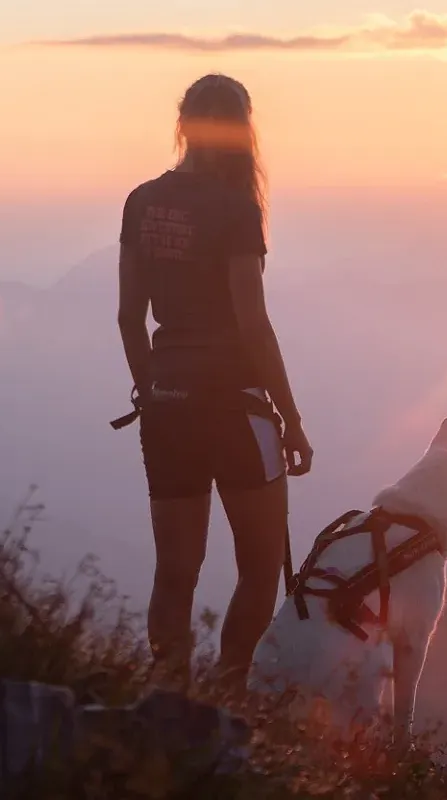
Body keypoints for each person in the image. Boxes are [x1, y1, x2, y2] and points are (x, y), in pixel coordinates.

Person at [116, 72, 313, 691]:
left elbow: (129, 316)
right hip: (234, 406)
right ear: (242, 132)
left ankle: (167, 698)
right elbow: (252, 325)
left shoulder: (142, 201)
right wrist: (293, 418)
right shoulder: (235, 209)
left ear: (183, 124)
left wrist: (151, 389)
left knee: (175, 573)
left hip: (168, 401)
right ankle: (228, 697)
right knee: (258, 570)